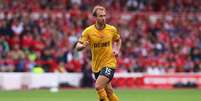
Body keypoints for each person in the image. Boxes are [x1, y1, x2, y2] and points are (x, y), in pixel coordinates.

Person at [75, 5, 121, 101]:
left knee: (98, 86)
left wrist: (117, 49)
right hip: (96, 66)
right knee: (109, 91)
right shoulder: (88, 31)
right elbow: (77, 46)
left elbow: (118, 40)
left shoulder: (111, 29)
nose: (103, 18)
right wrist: (83, 46)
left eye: (104, 15)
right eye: (100, 16)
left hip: (109, 63)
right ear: (95, 17)